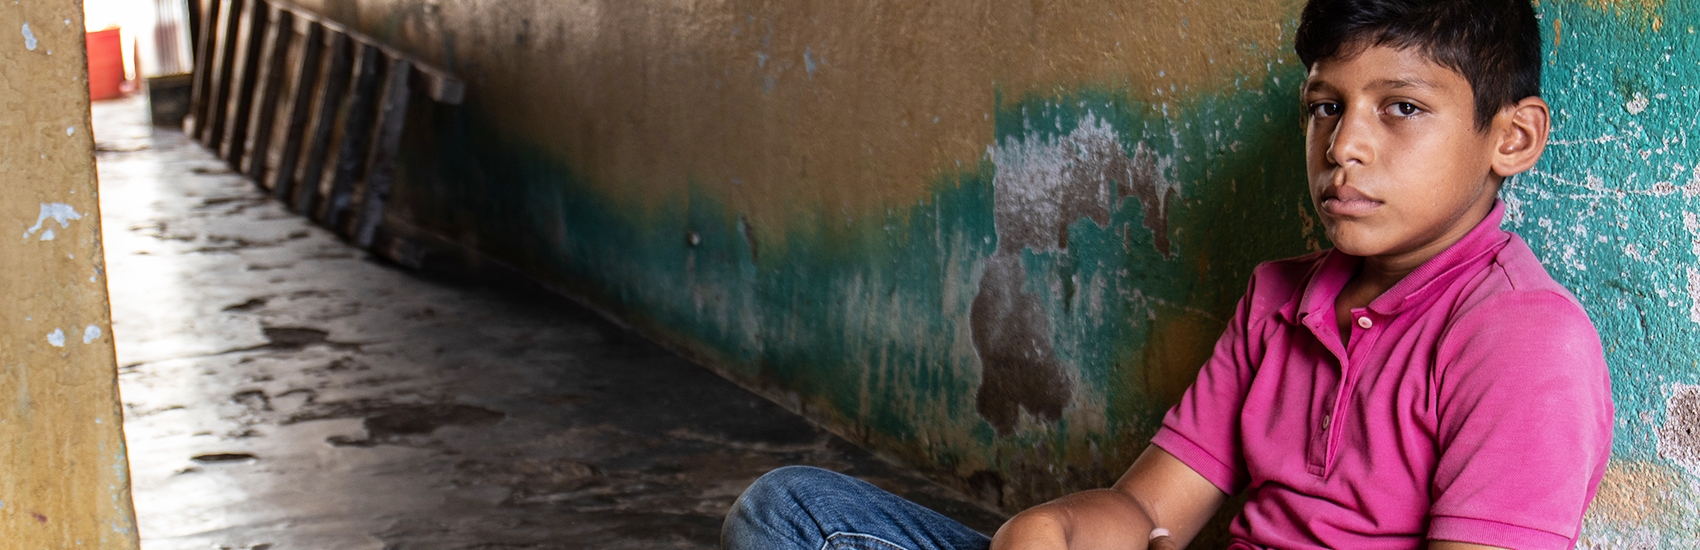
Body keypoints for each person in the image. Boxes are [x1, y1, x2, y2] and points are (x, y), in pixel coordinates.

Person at [720, 0, 1614, 548]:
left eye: (1402, 108)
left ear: (1513, 137)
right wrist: (1057, 530)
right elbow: (1150, 510)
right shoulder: (1281, 300)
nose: (1344, 146)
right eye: (1325, 108)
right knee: (791, 510)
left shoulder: (1524, 341)